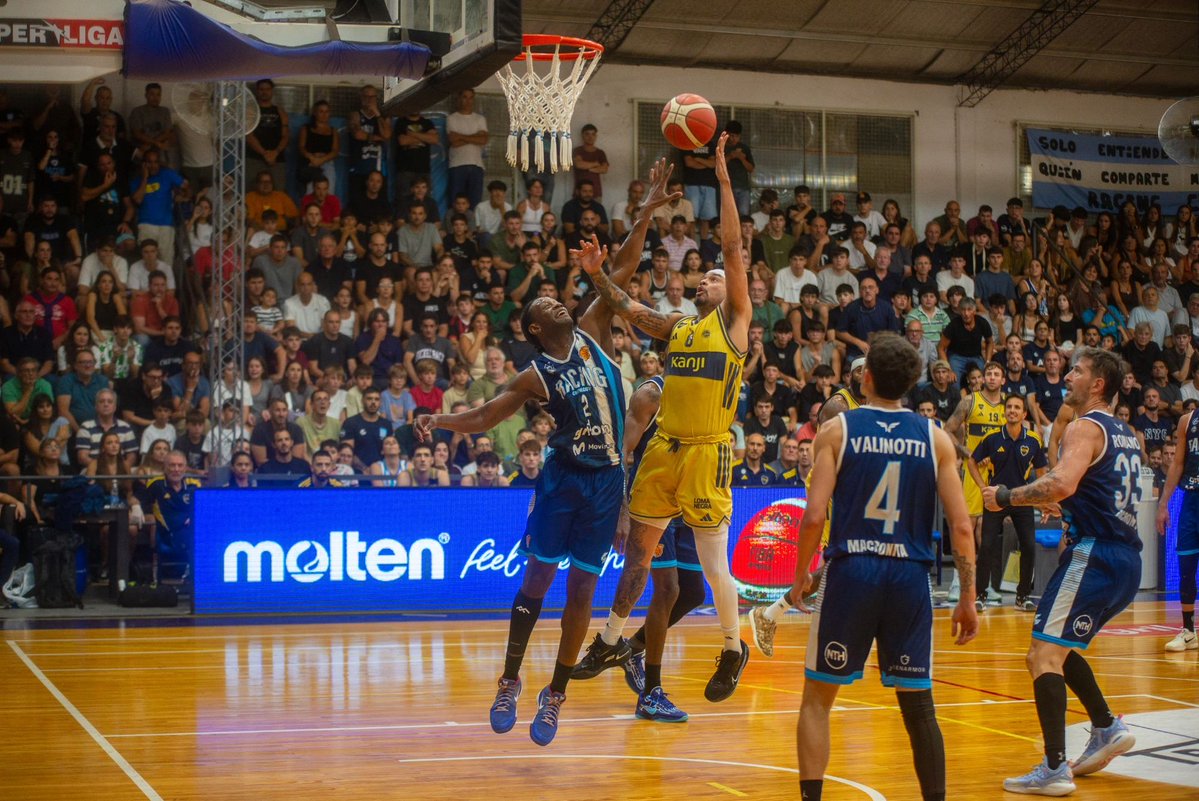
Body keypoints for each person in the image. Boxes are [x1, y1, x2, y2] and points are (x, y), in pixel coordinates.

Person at [414, 159, 674, 747]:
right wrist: (441, 417)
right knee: (536, 581)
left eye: (559, 301)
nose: (557, 304)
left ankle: (554, 694)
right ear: (532, 329)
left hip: (608, 481)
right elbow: (485, 416)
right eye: (544, 307)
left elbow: (624, 270)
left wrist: (647, 213)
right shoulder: (537, 373)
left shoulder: (592, 330)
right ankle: (509, 678)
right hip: (561, 479)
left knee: (582, 592)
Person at [573, 135, 753, 713]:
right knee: (641, 555)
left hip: (706, 451)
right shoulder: (679, 328)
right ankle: (607, 641)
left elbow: (729, 244)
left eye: (715, 279)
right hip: (665, 450)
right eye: (702, 278)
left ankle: (733, 647)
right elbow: (626, 308)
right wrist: (598, 275)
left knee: (709, 564)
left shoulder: (737, 323)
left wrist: (722, 181)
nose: (706, 280)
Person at [786, 332, 978, 801]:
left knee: (817, 700)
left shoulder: (838, 429)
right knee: (920, 708)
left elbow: (813, 516)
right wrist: (968, 597)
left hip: (853, 570)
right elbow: (961, 527)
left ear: (865, 377)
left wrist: (800, 576)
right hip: (909, 577)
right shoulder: (935, 438)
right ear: (913, 382)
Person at [982, 348, 1142, 795]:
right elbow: (1088, 488)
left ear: (1097, 385)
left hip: (1096, 554)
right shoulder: (1124, 432)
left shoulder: (1083, 426)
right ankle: (1107, 726)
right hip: (1126, 559)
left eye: (1077, 370)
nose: (1067, 376)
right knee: (1061, 649)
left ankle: (1055, 767)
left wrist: (1008, 496)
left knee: (1042, 656)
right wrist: (1066, 503)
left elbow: (1063, 481)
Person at [966, 395, 1047, 612]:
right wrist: (983, 487)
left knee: (1029, 546)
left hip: (1022, 500)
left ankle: (1023, 597)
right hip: (995, 499)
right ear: (1004, 412)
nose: (1012, 410)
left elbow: (1042, 472)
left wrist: (1041, 498)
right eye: (1009, 407)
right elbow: (972, 461)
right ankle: (981, 595)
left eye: (1017, 407)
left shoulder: (1033, 440)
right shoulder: (992, 437)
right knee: (987, 546)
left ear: (1024, 414)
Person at [944, 360, 1006, 601]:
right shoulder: (970, 401)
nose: (990, 377)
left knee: (986, 531)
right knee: (967, 527)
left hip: (995, 471)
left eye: (995, 374)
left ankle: (984, 584)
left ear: (1002, 380)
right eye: (987, 374)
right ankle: (958, 583)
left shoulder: (1007, 405)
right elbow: (948, 429)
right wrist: (964, 451)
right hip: (972, 471)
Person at [1156, 406, 1199, 652]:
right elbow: (1177, 464)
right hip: (1191, 502)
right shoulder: (1187, 420)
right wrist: (1163, 504)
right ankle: (1188, 631)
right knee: (1186, 569)